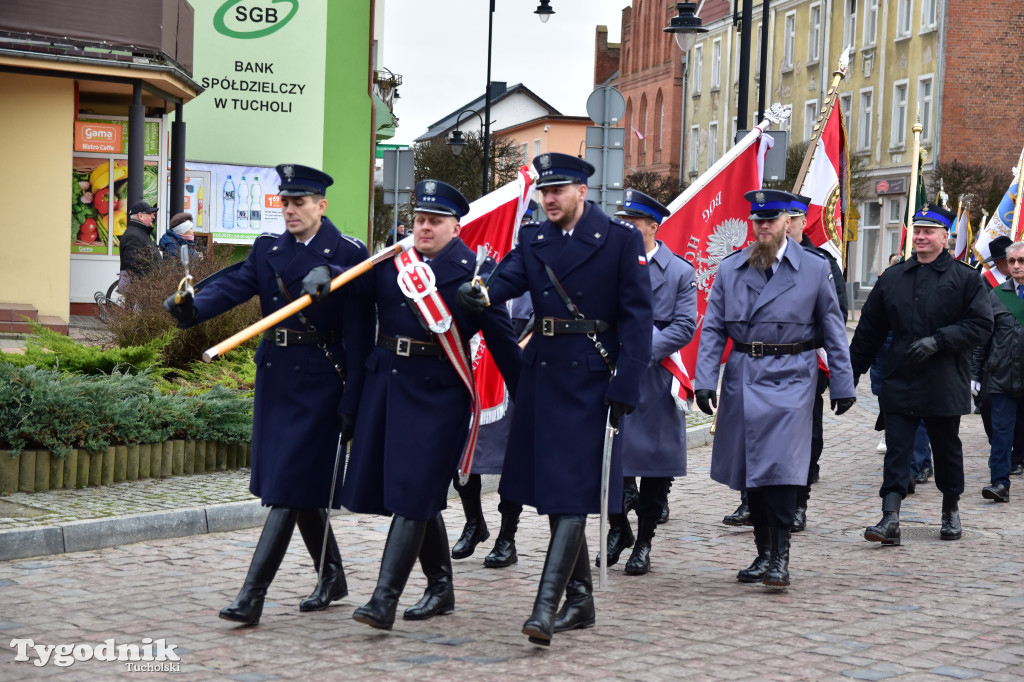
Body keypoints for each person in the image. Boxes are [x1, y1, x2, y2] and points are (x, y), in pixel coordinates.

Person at [162, 164, 374, 625]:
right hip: (276, 378)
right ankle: (332, 574)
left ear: (322, 205)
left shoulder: (348, 252)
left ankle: (251, 596)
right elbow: (232, 288)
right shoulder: (268, 250)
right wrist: (190, 307)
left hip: (322, 380)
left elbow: (361, 330)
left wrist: (354, 399)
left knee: (287, 488)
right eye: (286, 201)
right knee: (294, 485)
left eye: (301, 202)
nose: (292, 210)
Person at [457, 152, 653, 646]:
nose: (548, 199)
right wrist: (482, 292)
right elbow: (509, 278)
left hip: (591, 378)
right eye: (544, 192)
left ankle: (545, 607)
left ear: (582, 191)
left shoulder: (619, 240)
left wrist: (626, 384)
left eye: (558, 190)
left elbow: (637, 320)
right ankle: (581, 600)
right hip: (543, 377)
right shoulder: (534, 236)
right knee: (552, 494)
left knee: (570, 495)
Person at [340, 179, 521, 631]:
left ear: (455, 227)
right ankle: (441, 586)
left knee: (413, 494)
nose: (424, 227)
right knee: (415, 494)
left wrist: (530, 396)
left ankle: (383, 599)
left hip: (439, 393)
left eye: (435, 221)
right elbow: (354, 303)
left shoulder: (474, 275)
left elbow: (502, 341)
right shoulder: (392, 263)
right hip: (387, 386)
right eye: (420, 219)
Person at [694, 189, 855, 589]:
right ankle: (763, 552)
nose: (763, 227)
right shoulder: (732, 269)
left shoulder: (815, 269)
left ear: (789, 222)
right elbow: (713, 327)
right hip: (745, 372)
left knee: (781, 467)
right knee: (753, 468)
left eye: (771, 220)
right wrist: (703, 379)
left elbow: (834, 328)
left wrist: (842, 381)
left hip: (793, 375)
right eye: (757, 221)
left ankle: (780, 556)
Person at [849, 205, 993, 545]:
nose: (920, 236)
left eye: (929, 231)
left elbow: (981, 325)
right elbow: (868, 331)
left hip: (943, 380)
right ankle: (890, 517)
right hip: (900, 379)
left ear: (945, 237)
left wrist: (939, 340)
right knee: (897, 449)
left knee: (946, 450)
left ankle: (950, 509)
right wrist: (849, 374)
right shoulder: (894, 278)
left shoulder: (966, 279)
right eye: (917, 230)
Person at [607, 189, 696, 575]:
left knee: (655, 466)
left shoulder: (679, 271)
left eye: (632, 224)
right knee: (612, 460)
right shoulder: (608, 265)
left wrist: (643, 349)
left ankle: (643, 542)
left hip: (657, 376)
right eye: (621, 223)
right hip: (613, 369)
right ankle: (618, 528)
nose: (624, 229)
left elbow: (685, 324)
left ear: (652, 227)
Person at [974, 240, 1024, 503]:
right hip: (1001, 377)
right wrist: (974, 375)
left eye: (1021, 261)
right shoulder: (996, 295)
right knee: (1001, 432)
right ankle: (999, 483)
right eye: (1012, 261)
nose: (1016, 266)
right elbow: (983, 338)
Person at [119, 201, 161, 287]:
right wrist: (150, 286)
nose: (153, 216)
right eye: (150, 214)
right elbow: (135, 267)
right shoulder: (133, 236)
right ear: (140, 216)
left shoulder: (140, 233)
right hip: (143, 290)